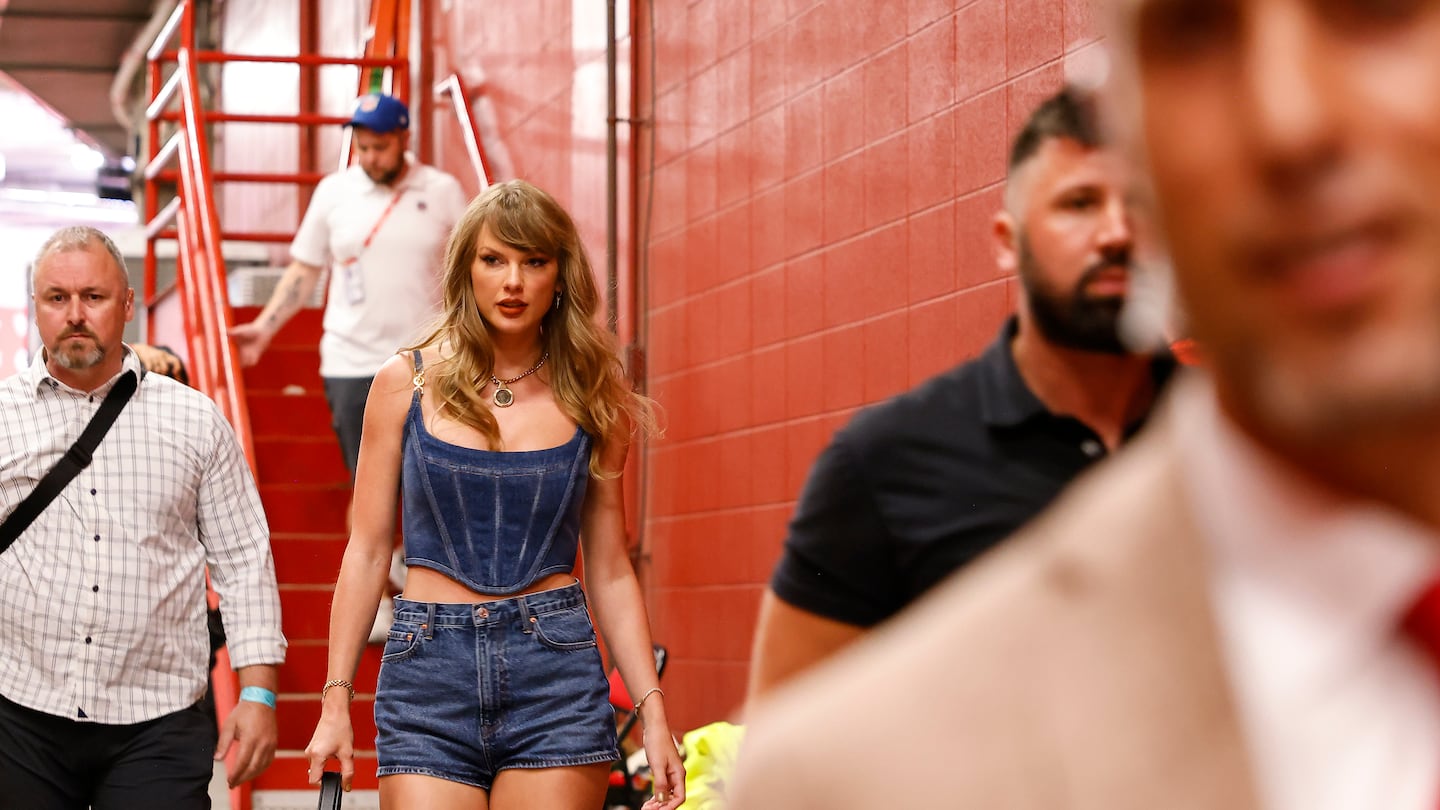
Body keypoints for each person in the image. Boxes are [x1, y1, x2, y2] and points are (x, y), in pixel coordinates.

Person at [729, 0, 1440, 807]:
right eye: (1192, 33)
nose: (1290, 120)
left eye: (1376, 12)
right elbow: (790, 711)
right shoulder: (883, 475)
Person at [746, 86, 1174, 701]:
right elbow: (785, 751)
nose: (1117, 233)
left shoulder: (1256, 437)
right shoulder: (882, 463)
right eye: (1080, 203)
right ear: (1007, 239)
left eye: (1143, 204)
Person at [303, 180, 686, 809]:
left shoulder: (595, 396)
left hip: (554, 671)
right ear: (466, 270)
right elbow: (368, 551)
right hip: (429, 669)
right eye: (494, 260)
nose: (513, 281)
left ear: (560, 276)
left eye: (534, 262)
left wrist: (654, 712)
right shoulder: (406, 383)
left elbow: (611, 568)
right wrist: (335, 698)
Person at [0, 225, 286, 808]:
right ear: (36, 308)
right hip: (18, 715)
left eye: (94, 297)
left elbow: (243, 559)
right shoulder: (3, 419)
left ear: (128, 305)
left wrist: (258, 695)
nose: (75, 314)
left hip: (158, 720)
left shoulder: (195, 421)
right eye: (58, 298)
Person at [230, 92, 467, 478]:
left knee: (433, 485)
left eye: (381, 147)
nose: (370, 157)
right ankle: (377, 544)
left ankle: (413, 544)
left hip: (431, 360)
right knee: (368, 487)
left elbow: (470, 268)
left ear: (404, 139)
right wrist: (263, 328)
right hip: (352, 361)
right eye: (364, 147)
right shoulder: (334, 192)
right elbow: (304, 270)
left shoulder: (442, 191)